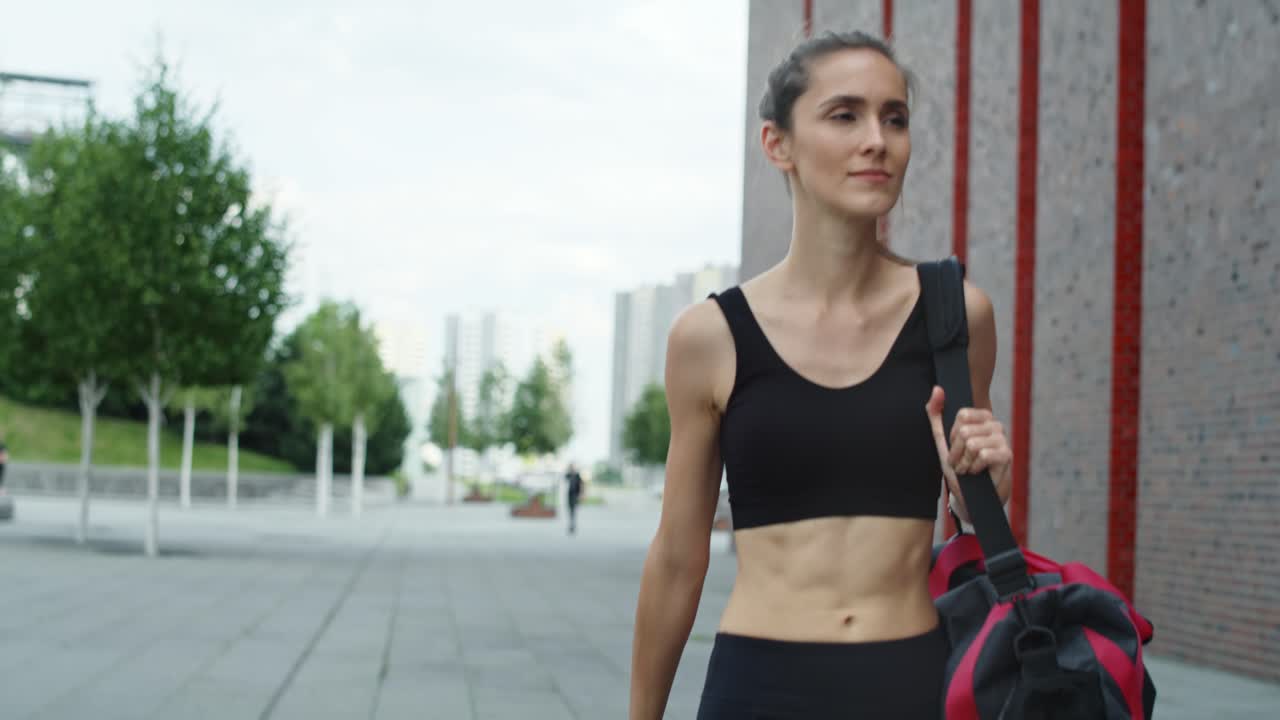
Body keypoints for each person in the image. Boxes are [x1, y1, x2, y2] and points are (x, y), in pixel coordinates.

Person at [628, 30, 1013, 719]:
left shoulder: (956, 315)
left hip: (909, 687)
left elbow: (976, 520)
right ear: (778, 144)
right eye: (845, 115)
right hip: (757, 688)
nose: (877, 141)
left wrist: (982, 489)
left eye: (894, 118)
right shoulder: (710, 337)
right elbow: (679, 558)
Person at [565, 463, 584, 535]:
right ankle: (571, 524)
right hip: (569, 495)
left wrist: (581, 494)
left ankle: (572, 524)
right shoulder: (568, 475)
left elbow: (581, 484)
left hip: (575, 494)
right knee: (570, 509)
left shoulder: (577, 475)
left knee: (573, 509)